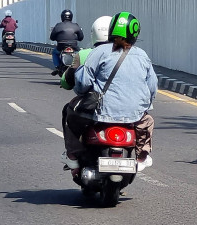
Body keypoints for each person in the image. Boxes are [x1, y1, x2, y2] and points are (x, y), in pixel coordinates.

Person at [61, 12, 155, 171]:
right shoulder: (142, 55)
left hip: (100, 112)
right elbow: (152, 88)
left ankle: (72, 154)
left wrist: (81, 92)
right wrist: (143, 106)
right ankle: (141, 157)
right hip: (135, 115)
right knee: (148, 122)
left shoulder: (99, 52)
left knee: (70, 112)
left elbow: (83, 83)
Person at [49, 9, 84, 76]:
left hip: (61, 46)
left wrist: (57, 38)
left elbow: (52, 37)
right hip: (74, 46)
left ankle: (57, 67)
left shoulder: (58, 25)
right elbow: (81, 37)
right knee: (80, 55)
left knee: (54, 53)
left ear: (62, 17)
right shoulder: (76, 25)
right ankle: (80, 68)